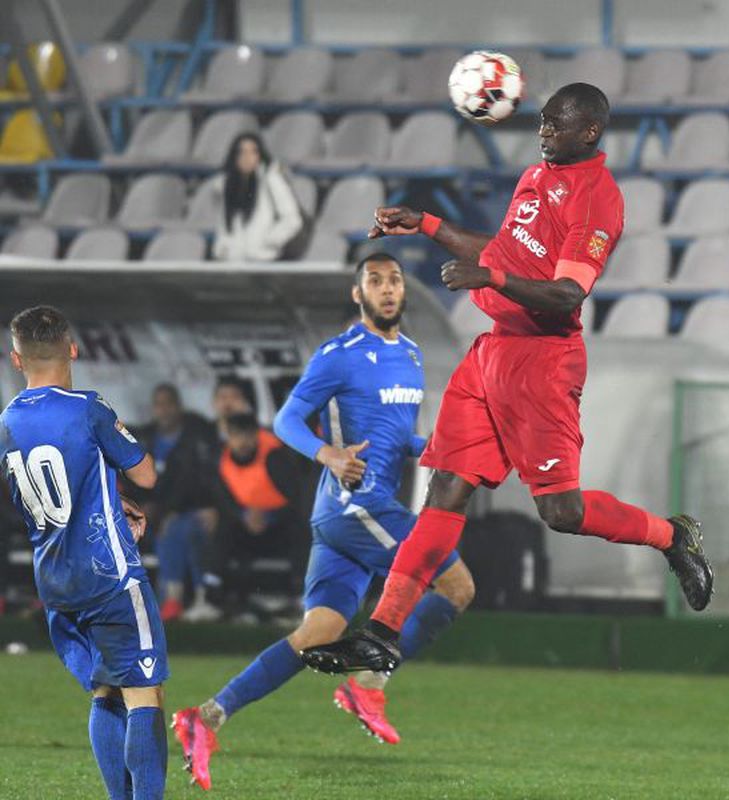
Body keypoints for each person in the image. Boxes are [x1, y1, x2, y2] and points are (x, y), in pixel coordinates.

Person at [301, 83, 714, 678]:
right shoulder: (536, 176)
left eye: (554, 124)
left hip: (542, 364)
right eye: (541, 121)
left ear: (589, 132)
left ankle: (670, 536)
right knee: (445, 491)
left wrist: (491, 278)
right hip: (491, 354)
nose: (542, 132)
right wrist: (427, 225)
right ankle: (382, 634)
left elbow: (567, 293)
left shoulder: (597, 199)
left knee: (561, 512)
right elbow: (500, 252)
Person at [171, 253, 476, 789]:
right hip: (358, 506)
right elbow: (286, 419)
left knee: (319, 633)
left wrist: (436, 449)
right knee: (456, 587)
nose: (387, 288)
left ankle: (207, 717)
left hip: (343, 517)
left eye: (395, 279)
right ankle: (369, 683)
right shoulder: (339, 354)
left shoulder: (410, 354)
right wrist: (328, 455)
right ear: (358, 295)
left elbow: (393, 438)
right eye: (375, 281)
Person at [0, 305, 168, 799]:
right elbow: (146, 474)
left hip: (54, 580)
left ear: (16, 359)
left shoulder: (6, 422)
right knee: (145, 693)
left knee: (105, 689)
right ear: (72, 349)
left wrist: (109, 496)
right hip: (108, 574)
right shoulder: (88, 408)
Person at [134, 383, 219, 621]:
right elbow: (131, 477)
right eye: (159, 405)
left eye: (168, 404)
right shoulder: (145, 437)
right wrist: (142, 503)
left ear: (178, 407)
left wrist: (170, 510)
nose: (164, 410)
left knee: (178, 529)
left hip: (190, 509)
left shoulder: (197, 436)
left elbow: (196, 480)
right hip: (154, 512)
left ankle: (182, 598)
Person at [209, 412, 308, 611]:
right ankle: (212, 591)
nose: (242, 442)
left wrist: (268, 517)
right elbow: (223, 500)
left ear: (256, 435)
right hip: (245, 524)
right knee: (222, 527)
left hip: (278, 526)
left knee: (300, 530)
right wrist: (243, 515)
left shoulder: (274, 458)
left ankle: (300, 594)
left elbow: (297, 499)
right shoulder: (221, 461)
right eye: (236, 435)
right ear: (228, 437)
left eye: (247, 435)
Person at [211, 133, 303, 263]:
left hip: (263, 261)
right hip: (231, 262)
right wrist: (222, 249)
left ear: (259, 155)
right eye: (242, 152)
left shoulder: (271, 179)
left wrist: (269, 242)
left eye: (252, 152)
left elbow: (292, 219)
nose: (247, 157)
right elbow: (223, 224)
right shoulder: (224, 184)